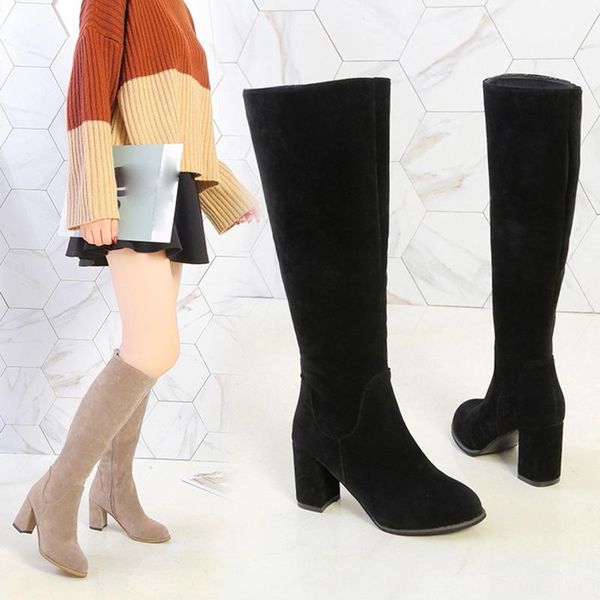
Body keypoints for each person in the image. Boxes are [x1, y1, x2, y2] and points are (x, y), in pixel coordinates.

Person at [12, 0, 259, 578]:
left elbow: (181, 116)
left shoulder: (180, 9)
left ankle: (114, 489)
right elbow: (88, 91)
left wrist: (221, 190)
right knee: (153, 349)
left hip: (169, 176)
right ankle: (58, 489)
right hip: (134, 175)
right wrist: (96, 193)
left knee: (147, 348)